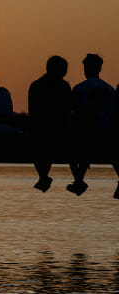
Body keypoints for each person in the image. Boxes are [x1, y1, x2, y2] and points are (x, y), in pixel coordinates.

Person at [68, 53, 114, 195]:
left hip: (87, 131)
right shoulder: (110, 89)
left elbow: (74, 111)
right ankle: (79, 180)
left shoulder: (79, 88)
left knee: (74, 144)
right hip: (106, 130)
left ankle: (78, 179)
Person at [28, 55, 72, 192]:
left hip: (41, 128)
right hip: (58, 128)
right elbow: (67, 110)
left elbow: (32, 111)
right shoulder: (64, 87)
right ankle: (44, 177)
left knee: (39, 146)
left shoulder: (36, 85)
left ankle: (43, 176)